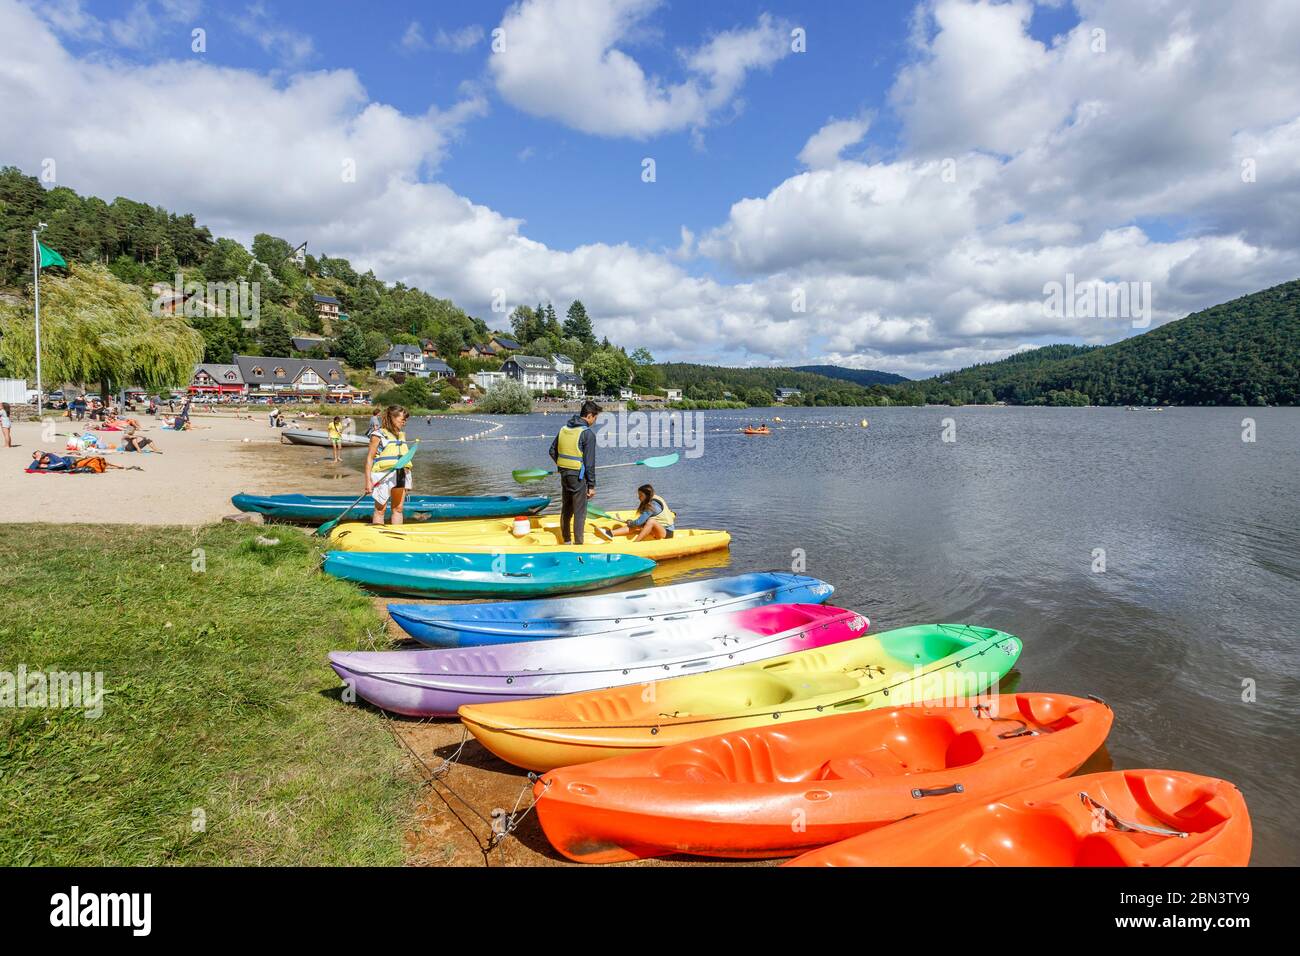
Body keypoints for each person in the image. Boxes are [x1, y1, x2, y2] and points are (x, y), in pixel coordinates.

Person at [549, 400, 601, 545]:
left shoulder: (564, 429)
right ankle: (579, 545)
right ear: (590, 416)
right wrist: (591, 486)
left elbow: (552, 451)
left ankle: (566, 540)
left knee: (566, 508)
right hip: (578, 477)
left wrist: (562, 466)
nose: (594, 421)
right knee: (580, 511)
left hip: (564, 474)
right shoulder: (587, 434)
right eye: (595, 418)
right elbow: (590, 463)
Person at [365, 405, 412, 526]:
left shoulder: (400, 435)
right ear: (392, 417)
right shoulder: (378, 435)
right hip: (383, 475)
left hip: (401, 473)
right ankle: (378, 537)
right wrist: (368, 482)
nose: (405, 422)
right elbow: (370, 459)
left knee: (398, 509)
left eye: (406, 419)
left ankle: (397, 537)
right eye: (402, 419)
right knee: (381, 510)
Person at [595, 484, 674, 542]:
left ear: (646, 495)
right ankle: (610, 533)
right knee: (637, 524)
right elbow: (640, 521)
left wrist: (632, 523)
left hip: (667, 533)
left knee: (649, 522)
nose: (638, 497)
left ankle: (636, 542)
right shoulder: (653, 498)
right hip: (659, 528)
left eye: (640, 495)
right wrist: (632, 523)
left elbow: (639, 521)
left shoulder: (652, 505)